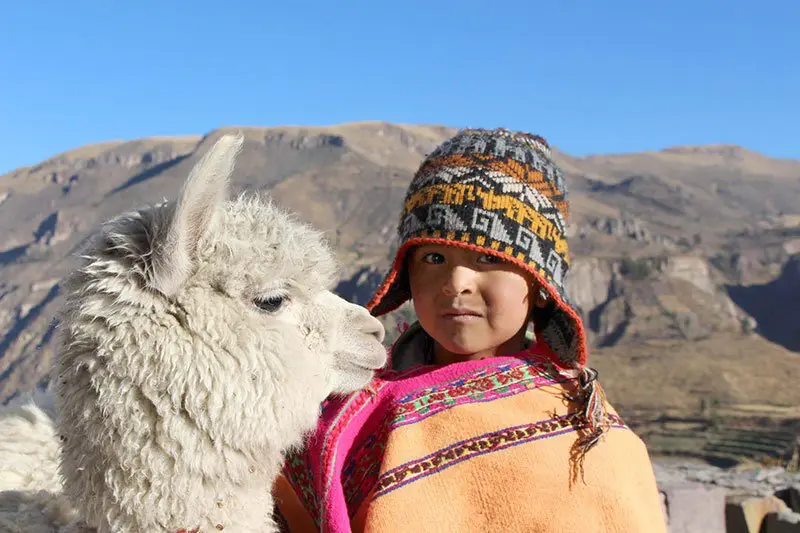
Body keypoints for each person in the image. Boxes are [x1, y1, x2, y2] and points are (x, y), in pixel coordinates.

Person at [273, 128, 667, 532]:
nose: (456, 282)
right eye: (433, 257)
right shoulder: (339, 409)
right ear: (406, 274)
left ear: (540, 285)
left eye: (488, 258)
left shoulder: (591, 440)